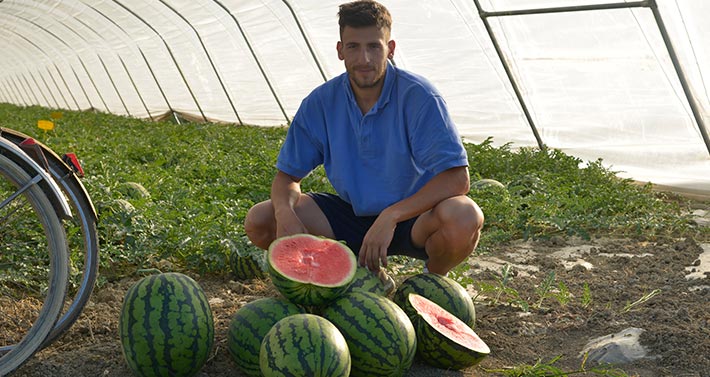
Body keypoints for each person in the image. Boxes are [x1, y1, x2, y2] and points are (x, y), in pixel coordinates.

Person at [244, 0, 483, 276]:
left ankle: (432, 282)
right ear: (340, 50)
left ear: (390, 49)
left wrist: (391, 215)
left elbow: (457, 179)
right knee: (261, 219)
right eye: (353, 47)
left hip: (414, 217)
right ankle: (351, 276)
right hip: (349, 215)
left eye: (374, 47)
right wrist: (284, 214)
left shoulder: (419, 97)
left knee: (464, 216)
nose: (364, 59)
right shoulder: (321, 102)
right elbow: (286, 178)